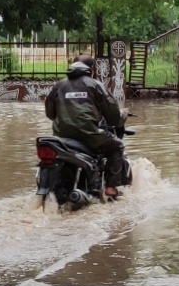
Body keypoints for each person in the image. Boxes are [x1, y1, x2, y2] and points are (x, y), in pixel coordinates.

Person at [44, 60, 127, 198]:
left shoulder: (59, 86)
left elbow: (50, 113)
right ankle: (111, 188)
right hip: (90, 135)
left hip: (62, 138)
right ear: (91, 70)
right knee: (117, 146)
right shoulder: (95, 85)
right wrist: (122, 115)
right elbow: (113, 115)